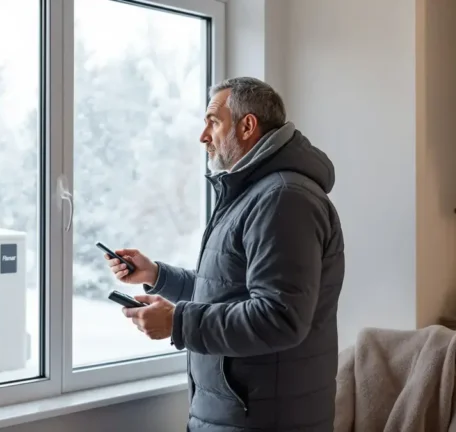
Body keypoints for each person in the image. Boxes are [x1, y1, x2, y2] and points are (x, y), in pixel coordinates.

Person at [105, 77, 345, 431]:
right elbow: (226, 291)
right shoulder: (255, 194)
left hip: (264, 420)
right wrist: (157, 276)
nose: (203, 136)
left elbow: (280, 317)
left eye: (213, 121)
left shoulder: (283, 199)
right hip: (240, 414)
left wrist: (177, 323)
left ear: (248, 126)